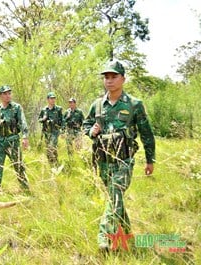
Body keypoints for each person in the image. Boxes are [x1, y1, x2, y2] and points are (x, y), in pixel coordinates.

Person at [83, 60, 155, 251]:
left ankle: (104, 239)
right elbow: (86, 125)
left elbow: (146, 133)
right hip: (104, 161)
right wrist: (92, 131)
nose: (109, 80)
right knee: (115, 199)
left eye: (114, 76)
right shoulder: (97, 105)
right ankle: (129, 237)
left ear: (123, 78)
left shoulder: (134, 104)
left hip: (124, 161)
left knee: (115, 194)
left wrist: (150, 160)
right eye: (106, 77)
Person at [0, 85, 30, 193]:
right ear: (0, 96)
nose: (8, 96)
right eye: (5, 94)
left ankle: (25, 189)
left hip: (12, 141)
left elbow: (23, 122)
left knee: (18, 165)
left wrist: (25, 137)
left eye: (9, 93)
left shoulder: (16, 108)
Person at [38, 91, 63, 166]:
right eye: (51, 98)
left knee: (51, 146)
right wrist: (44, 119)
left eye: (54, 98)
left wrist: (63, 130)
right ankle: (52, 163)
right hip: (46, 132)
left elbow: (62, 120)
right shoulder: (44, 110)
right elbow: (39, 119)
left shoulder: (58, 109)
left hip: (55, 131)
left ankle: (54, 163)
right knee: (48, 148)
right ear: (48, 99)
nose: (53, 100)